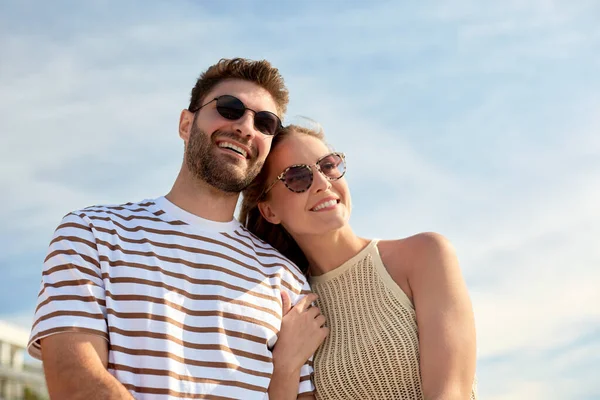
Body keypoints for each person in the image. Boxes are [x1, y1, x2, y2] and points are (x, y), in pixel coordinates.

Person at [28, 58, 327, 400]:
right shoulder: (91, 234)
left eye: (265, 122)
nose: (246, 127)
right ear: (186, 124)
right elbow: (76, 381)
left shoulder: (286, 278)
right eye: (230, 109)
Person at [240, 124, 478, 400]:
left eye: (327, 166)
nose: (322, 183)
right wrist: (284, 367)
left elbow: (451, 394)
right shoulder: (290, 307)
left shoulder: (425, 255)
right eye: (296, 177)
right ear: (269, 210)